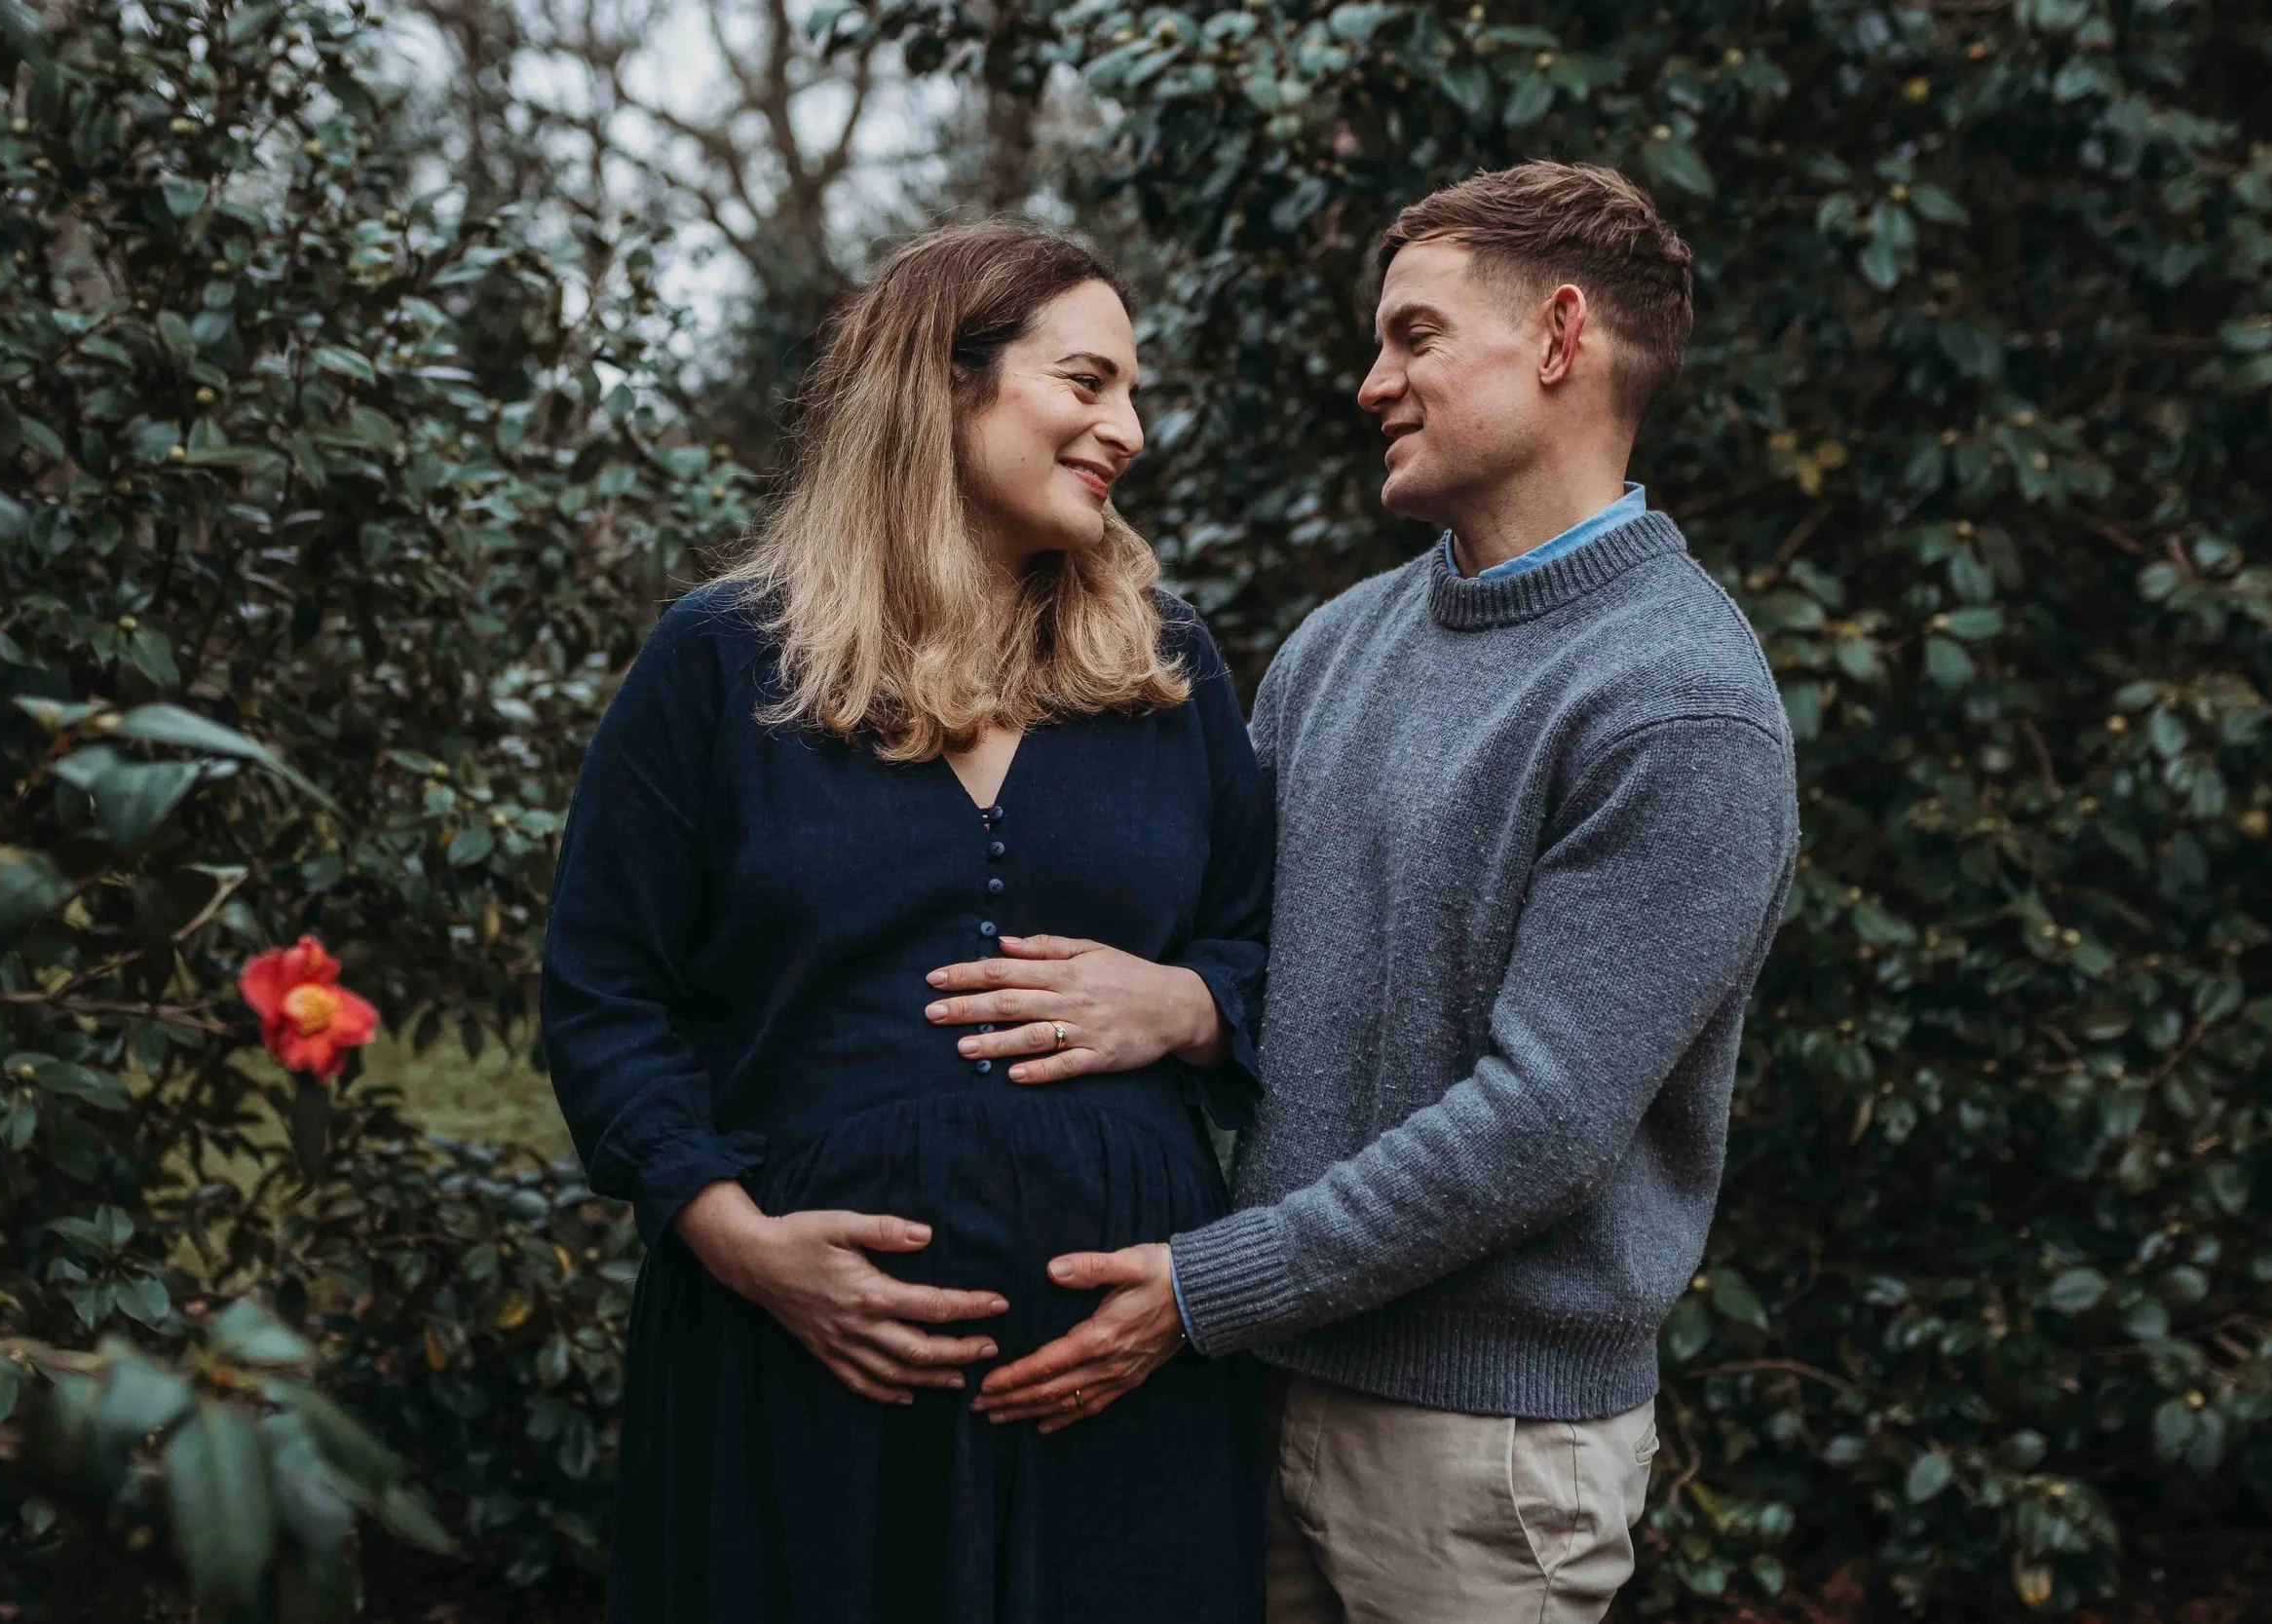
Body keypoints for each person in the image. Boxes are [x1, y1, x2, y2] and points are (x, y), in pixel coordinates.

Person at [962, 163, 1800, 1621]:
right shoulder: (1338, 647)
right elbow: (1259, 957)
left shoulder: (1678, 703)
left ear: (1559, 337)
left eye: (1415, 337)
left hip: (1480, 1451)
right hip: (1255, 1388)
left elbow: (1542, 1124)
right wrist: (1190, 1002)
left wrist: (1208, 1285)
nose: (1372, 384)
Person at [540, 220, 1270, 1624]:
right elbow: (602, 993)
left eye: (1133, 394)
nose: (1128, 430)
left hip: (1122, 1408)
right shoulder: (724, 662)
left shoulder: (1165, 670)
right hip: (800, 1387)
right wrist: (737, 1240)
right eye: (1087, 382)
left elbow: (1270, 951)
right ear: (943, 381)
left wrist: (1186, 1004)